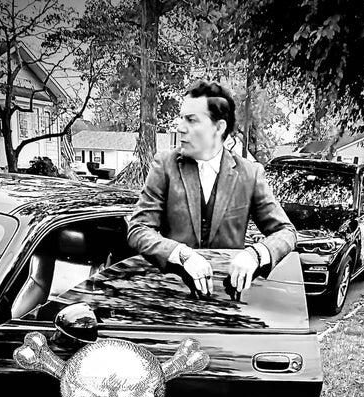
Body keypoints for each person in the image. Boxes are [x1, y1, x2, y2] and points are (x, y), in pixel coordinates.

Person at [127, 80, 297, 295]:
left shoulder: (250, 173)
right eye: (181, 118)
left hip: (228, 301)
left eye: (191, 120)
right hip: (172, 298)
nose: (180, 127)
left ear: (219, 127)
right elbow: (138, 229)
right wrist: (180, 254)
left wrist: (256, 254)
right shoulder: (164, 165)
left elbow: (286, 232)